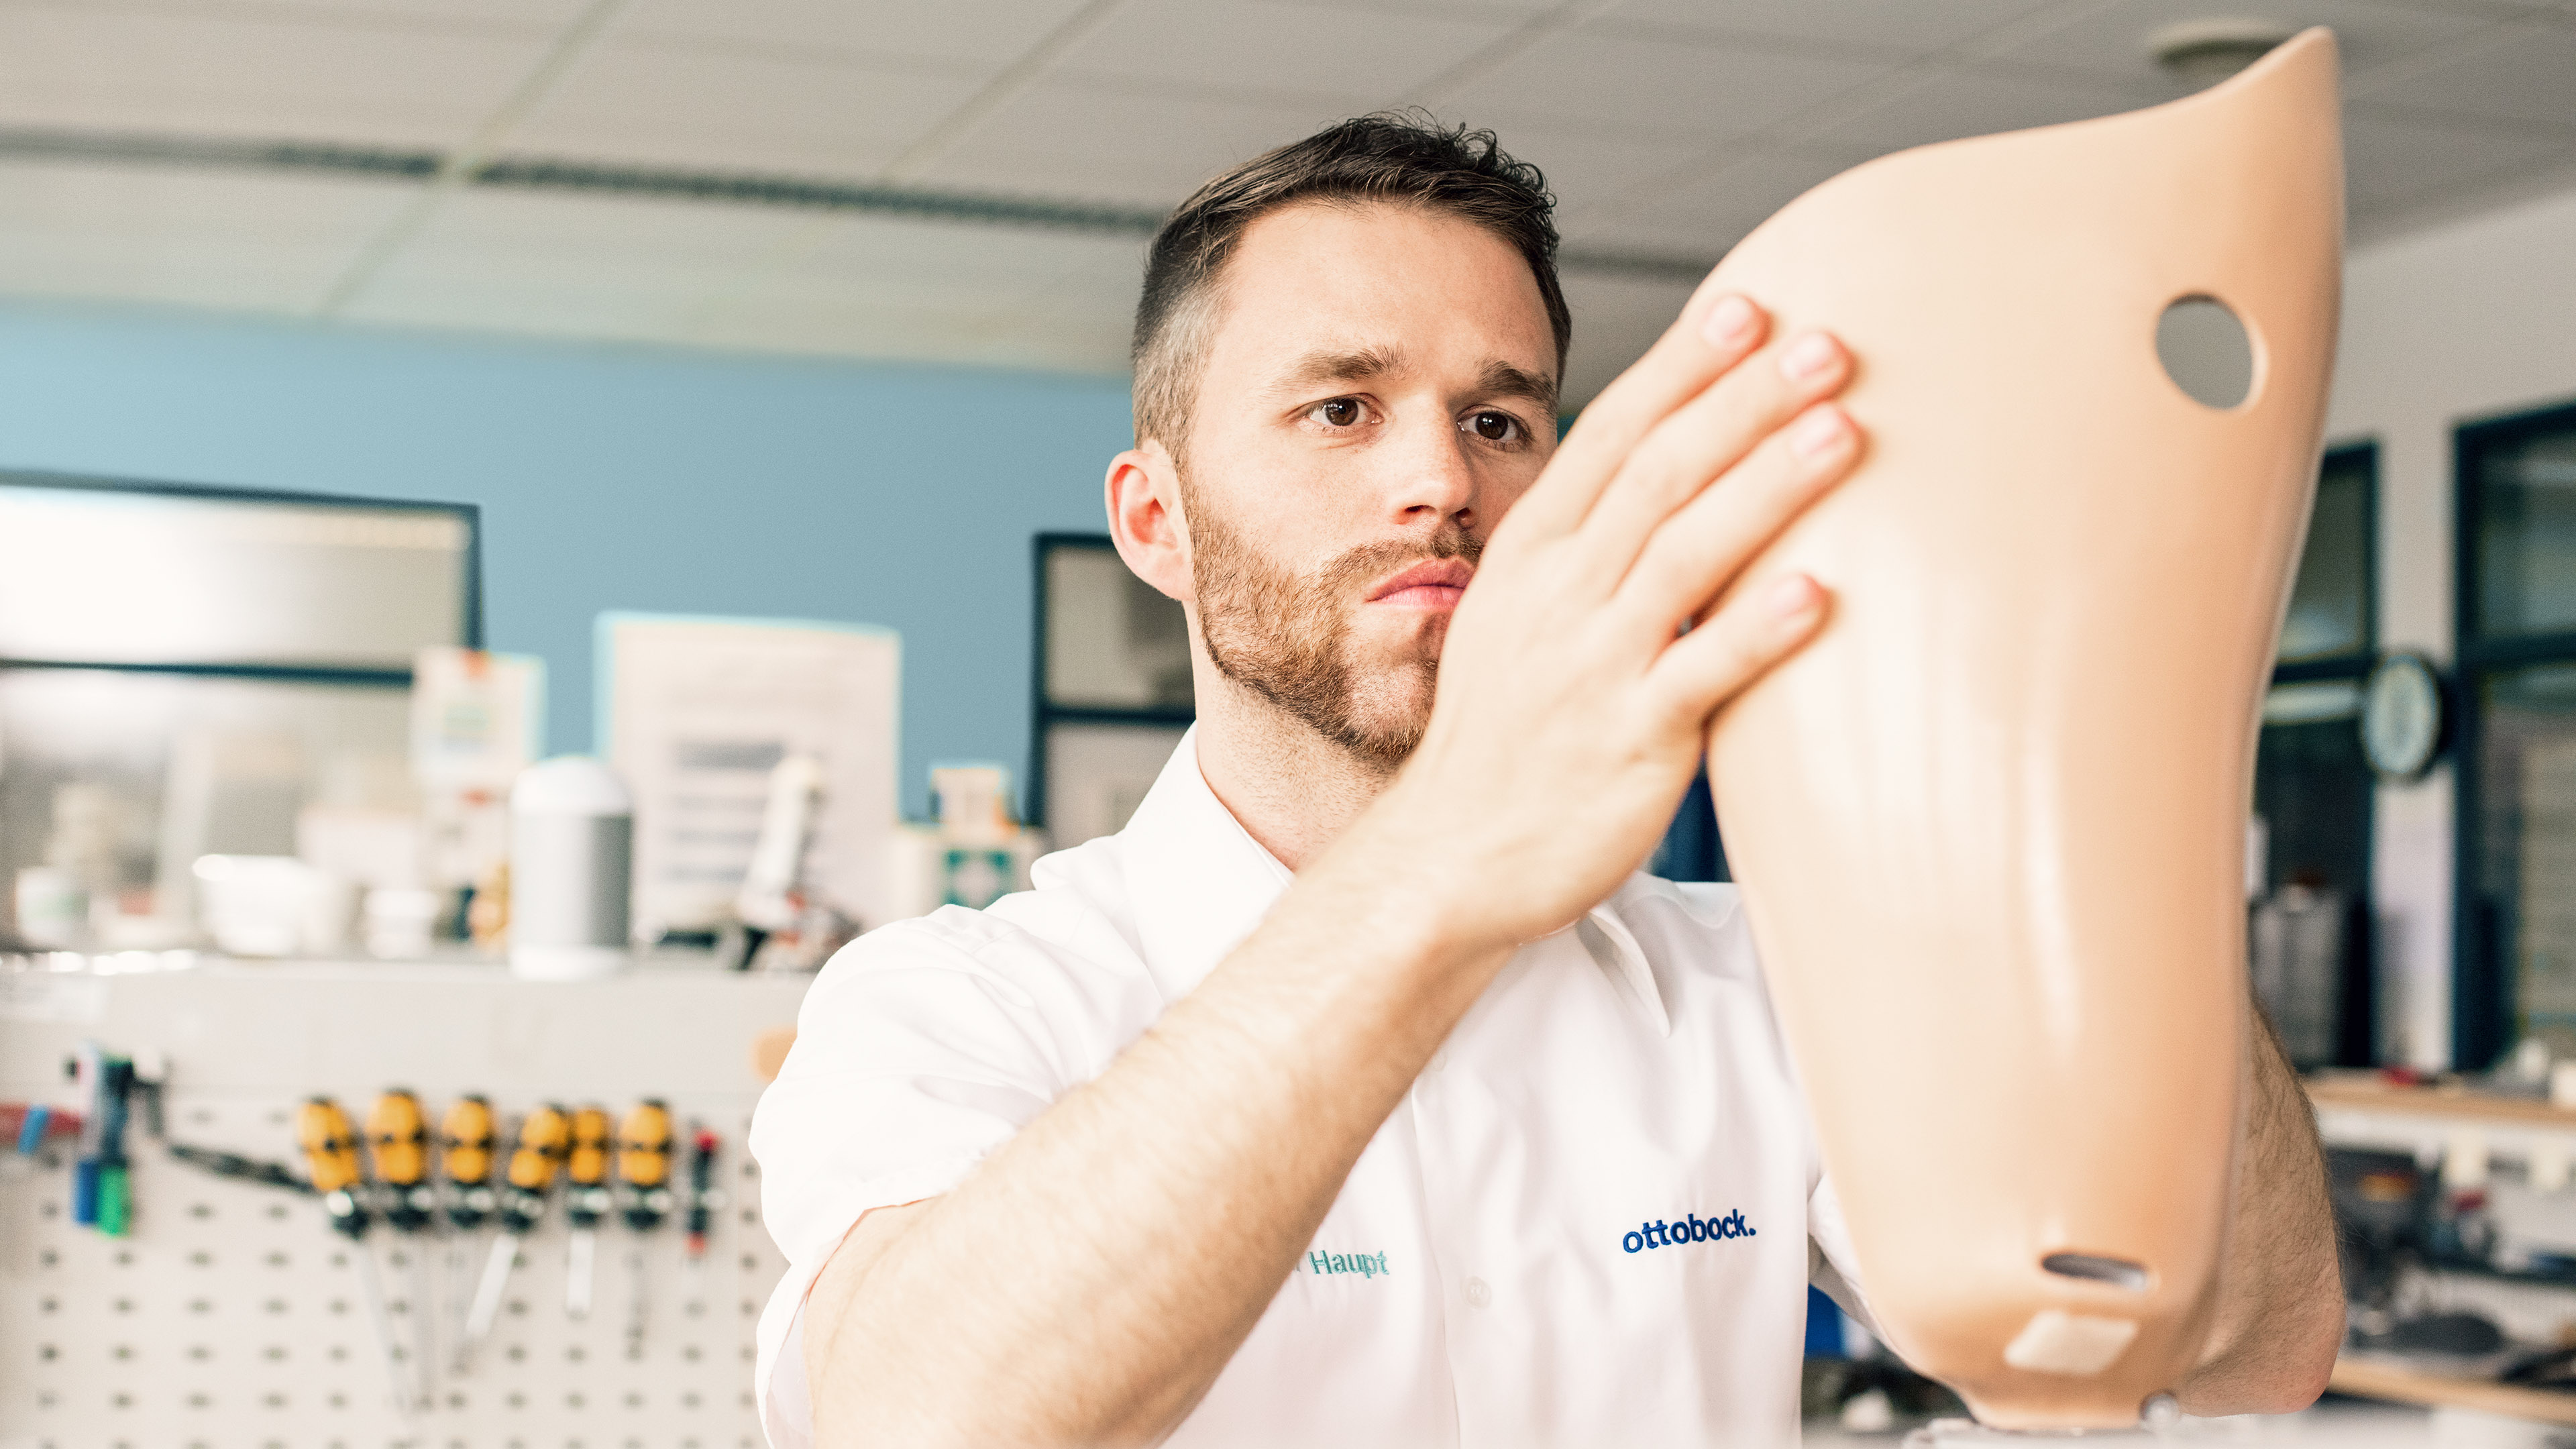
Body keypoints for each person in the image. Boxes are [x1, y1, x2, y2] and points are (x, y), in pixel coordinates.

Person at [751, 113, 2343, 1448]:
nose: (1441, 480)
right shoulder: (957, 1005)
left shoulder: (1754, 989)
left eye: (1501, 420)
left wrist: (2121, 756)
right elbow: (916, 1414)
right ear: (1154, 520)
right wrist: (1448, 859)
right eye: (1340, 408)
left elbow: (2251, 1346)